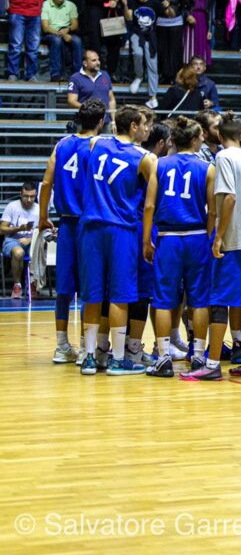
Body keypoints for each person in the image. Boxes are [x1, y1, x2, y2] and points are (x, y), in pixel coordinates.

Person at [78, 105, 157, 376]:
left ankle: (89, 357)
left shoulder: (94, 144)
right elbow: (150, 205)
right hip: (121, 229)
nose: (147, 129)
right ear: (134, 126)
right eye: (144, 124)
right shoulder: (145, 158)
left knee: (92, 295)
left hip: (90, 227)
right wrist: (147, 240)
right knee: (120, 296)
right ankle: (119, 358)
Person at [141, 116, 215, 378]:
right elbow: (212, 211)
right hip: (196, 236)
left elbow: (149, 206)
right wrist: (210, 238)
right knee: (199, 300)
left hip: (168, 237)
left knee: (163, 300)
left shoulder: (159, 165)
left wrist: (146, 240)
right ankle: (198, 357)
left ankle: (162, 358)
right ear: (194, 140)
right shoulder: (207, 168)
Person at [198, 111, 241, 379]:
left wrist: (218, 236)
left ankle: (212, 365)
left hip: (235, 238)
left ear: (218, 134)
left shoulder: (224, 157)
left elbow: (228, 199)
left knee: (219, 302)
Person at [39, 99, 107, 362]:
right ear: (101, 121)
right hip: (90, 224)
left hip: (66, 221)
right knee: (90, 286)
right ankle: (85, 348)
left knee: (64, 288)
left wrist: (43, 216)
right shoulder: (99, 146)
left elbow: (46, 182)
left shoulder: (62, 143)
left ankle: (61, 346)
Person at [81, 0, 126, 78]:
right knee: (95, 44)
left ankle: (111, 72)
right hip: (93, 15)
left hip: (108, 15)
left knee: (114, 43)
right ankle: (95, 72)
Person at [125, 0, 162, 108]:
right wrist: (125, 5)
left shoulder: (154, 3)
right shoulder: (132, 0)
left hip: (151, 35)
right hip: (137, 33)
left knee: (152, 64)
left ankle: (153, 96)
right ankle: (139, 76)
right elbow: (128, 18)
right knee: (137, 53)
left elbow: (165, 16)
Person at [0, 182, 39, 298]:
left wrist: (31, 238)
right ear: (20, 195)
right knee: (18, 253)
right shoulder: (12, 206)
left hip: (33, 242)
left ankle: (34, 284)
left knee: (41, 249)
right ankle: (17, 285)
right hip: (13, 240)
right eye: (26, 196)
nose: (29, 199)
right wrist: (18, 228)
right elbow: (1, 229)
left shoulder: (39, 208)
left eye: (32, 196)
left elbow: (43, 231)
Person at [41, 0, 82, 82]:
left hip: (66, 30)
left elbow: (75, 25)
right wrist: (62, 35)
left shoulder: (71, 5)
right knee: (56, 41)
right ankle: (55, 74)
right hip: (50, 33)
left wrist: (67, 30)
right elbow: (45, 28)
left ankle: (79, 74)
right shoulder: (45, 5)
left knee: (77, 40)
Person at [181, 0, 216, 65]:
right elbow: (182, 5)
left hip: (203, 19)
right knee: (190, 45)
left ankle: (200, 72)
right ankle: (188, 69)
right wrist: (187, 15)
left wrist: (210, 28)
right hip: (192, 18)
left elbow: (210, 9)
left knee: (202, 44)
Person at [155, 0, 185, 85]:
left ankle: (175, 76)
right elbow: (155, 3)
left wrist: (171, 5)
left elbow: (184, 6)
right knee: (163, 50)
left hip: (176, 23)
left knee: (175, 51)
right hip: (161, 23)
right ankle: (164, 75)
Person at [66, 50, 117, 120]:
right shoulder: (75, 78)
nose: (98, 63)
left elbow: (111, 99)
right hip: (85, 122)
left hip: (106, 121)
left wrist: (113, 121)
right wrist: (90, 110)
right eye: (94, 60)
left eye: (98, 60)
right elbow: (71, 101)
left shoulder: (105, 75)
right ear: (85, 63)